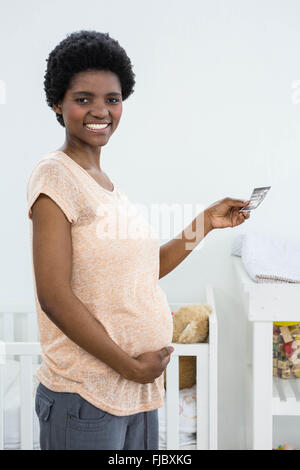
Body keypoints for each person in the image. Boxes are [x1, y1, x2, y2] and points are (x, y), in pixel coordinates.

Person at [27, 30, 250, 451]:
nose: (100, 111)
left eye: (112, 99)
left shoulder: (108, 186)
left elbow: (144, 270)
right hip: (87, 395)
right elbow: (53, 296)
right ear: (57, 103)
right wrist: (128, 367)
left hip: (136, 392)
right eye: (83, 98)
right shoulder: (54, 174)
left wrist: (205, 222)